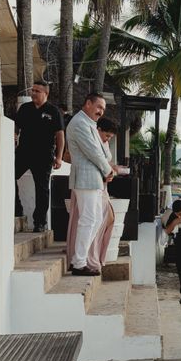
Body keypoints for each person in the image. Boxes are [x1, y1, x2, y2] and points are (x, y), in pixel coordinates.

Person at [67, 93, 114, 276]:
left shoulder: (90, 125)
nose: (101, 111)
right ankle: (78, 262)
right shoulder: (79, 123)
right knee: (88, 220)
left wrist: (106, 168)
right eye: (99, 107)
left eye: (103, 109)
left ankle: (80, 258)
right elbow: (93, 152)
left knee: (94, 220)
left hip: (93, 179)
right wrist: (108, 170)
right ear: (87, 103)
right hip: (85, 178)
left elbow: (105, 154)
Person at [14, 80, 65, 232]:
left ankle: (40, 222)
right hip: (23, 153)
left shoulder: (53, 111)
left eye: (37, 91)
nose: (33, 93)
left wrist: (59, 157)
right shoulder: (25, 108)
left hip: (44, 156)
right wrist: (14, 134)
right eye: (33, 90)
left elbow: (60, 135)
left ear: (46, 94)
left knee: (42, 189)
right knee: (9, 176)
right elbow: (16, 126)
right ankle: (17, 209)